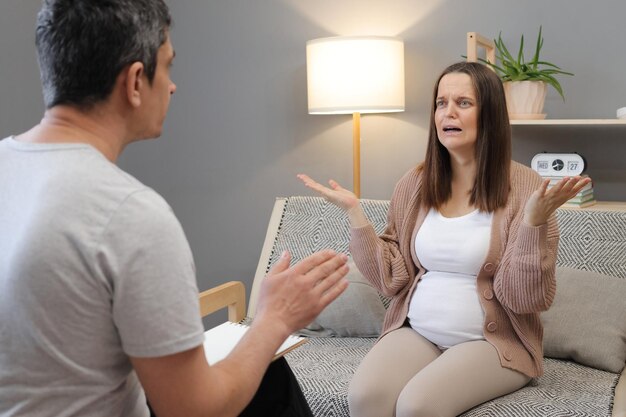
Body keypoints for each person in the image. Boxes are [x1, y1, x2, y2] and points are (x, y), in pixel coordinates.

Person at [0, 1, 349, 417]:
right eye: (166, 66)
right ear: (134, 81)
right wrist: (276, 318)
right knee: (270, 377)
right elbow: (195, 411)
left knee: (268, 378)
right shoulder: (129, 214)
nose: (172, 86)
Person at [298, 61, 591, 417]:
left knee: (418, 406)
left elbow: (525, 298)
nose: (448, 112)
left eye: (463, 103)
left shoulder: (527, 187)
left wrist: (533, 223)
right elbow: (392, 278)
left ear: (490, 114)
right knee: (364, 397)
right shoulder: (417, 182)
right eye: (441, 103)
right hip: (418, 333)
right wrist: (355, 214)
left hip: (492, 343)